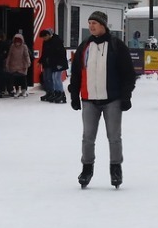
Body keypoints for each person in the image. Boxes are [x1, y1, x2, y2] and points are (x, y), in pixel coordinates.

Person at [68, 10, 136, 189]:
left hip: (112, 99)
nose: (91, 26)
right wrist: (74, 95)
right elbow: (76, 73)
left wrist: (126, 96)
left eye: (95, 23)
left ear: (103, 25)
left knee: (114, 137)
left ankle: (115, 169)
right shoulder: (84, 47)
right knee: (88, 137)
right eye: (89, 23)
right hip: (89, 99)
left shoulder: (116, 46)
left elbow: (128, 74)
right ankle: (87, 168)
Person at [38, 28, 68, 104]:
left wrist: (59, 63)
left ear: (48, 35)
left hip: (59, 63)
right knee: (53, 78)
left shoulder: (56, 41)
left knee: (56, 78)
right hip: (53, 63)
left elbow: (61, 53)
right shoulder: (47, 42)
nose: (44, 39)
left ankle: (61, 94)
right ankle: (57, 93)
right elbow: (45, 52)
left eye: (44, 37)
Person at [4, 31, 32, 97]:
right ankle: (17, 90)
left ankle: (24, 90)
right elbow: (9, 55)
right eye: (16, 42)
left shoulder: (24, 47)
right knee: (15, 79)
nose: (17, 43)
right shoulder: (12, 46)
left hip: (22, 65)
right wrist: (7, 63)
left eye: (18, 42)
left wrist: (28, 62)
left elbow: (26, 55)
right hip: (13, 65)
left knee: (23, 79)